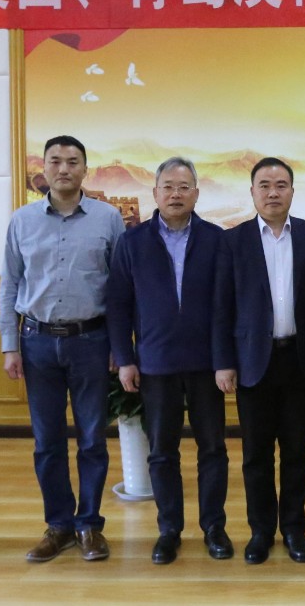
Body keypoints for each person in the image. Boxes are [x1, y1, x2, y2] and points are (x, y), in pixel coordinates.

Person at [0, 135, 125, 562]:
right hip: (36, 342)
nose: (64, 169)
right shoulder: (22, 220)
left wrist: (120, 346)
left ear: (86, 169)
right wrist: (9, 345)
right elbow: (10, 285)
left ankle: (89, 524)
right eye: (55, 161)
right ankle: (58, 525)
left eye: (73, 161)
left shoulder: (109, 218)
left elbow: (120, 288)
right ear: (44, 168)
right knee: (47, 441)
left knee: (92, 439)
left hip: (92, 341)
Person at [107, 156, 229, 565]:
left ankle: (214, 527)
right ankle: (169, 529)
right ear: (155, 193)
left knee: (213, 449)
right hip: (155, 364)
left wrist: (225, 361)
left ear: (196, 193)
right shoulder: (133, 242)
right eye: (168, 187)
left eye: (183, 187)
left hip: (207, 365)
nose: (176, 194)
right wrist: (125, 359)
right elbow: (118, 305)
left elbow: (225, 306)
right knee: (162, 451)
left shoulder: (216, 240)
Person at [213, 157, 305, 565]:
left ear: (292, 191)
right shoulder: (233, 241)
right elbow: (221, 307)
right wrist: (224, 362)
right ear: (253, 192)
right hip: (251, 363)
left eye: (281, 185)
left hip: (299, 360)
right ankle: (260, 531)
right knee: (256, 454)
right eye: (265, 185)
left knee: (297, 452)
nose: (273, 193)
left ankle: (294, 529)